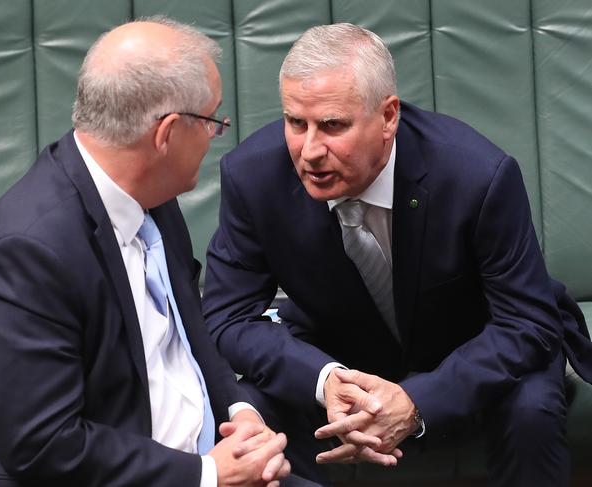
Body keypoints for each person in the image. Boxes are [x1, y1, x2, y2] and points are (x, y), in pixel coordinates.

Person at [202, 22, 592, 486]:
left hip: (473, 346)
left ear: (388, 117)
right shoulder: (253, 176)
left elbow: (527, 323)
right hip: (339, 349)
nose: (309, 151)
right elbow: (229, 315)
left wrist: (417, 401)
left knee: (532, 407)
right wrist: (326, 379)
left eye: (332, 126)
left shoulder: (477, 176)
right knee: (252, 416)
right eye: (295, 123)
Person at [0, 16, 301, 487]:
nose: (217, 136)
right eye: (214, 121)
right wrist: (210, 474)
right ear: (167, 134)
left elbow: (188, 336)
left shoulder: (152, 193)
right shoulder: (26, 254)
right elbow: (47, 445)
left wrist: (238, 410)